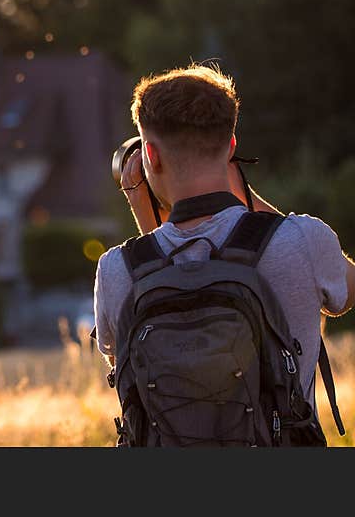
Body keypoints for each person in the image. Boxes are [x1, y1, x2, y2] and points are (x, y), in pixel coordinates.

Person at [93, 64, 355, 415]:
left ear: (150, 156)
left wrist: (145, 213)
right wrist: (245, 195)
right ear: (231, 146)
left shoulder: (117, 269)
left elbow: (130, 368)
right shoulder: (304, 241)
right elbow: (348, 292)